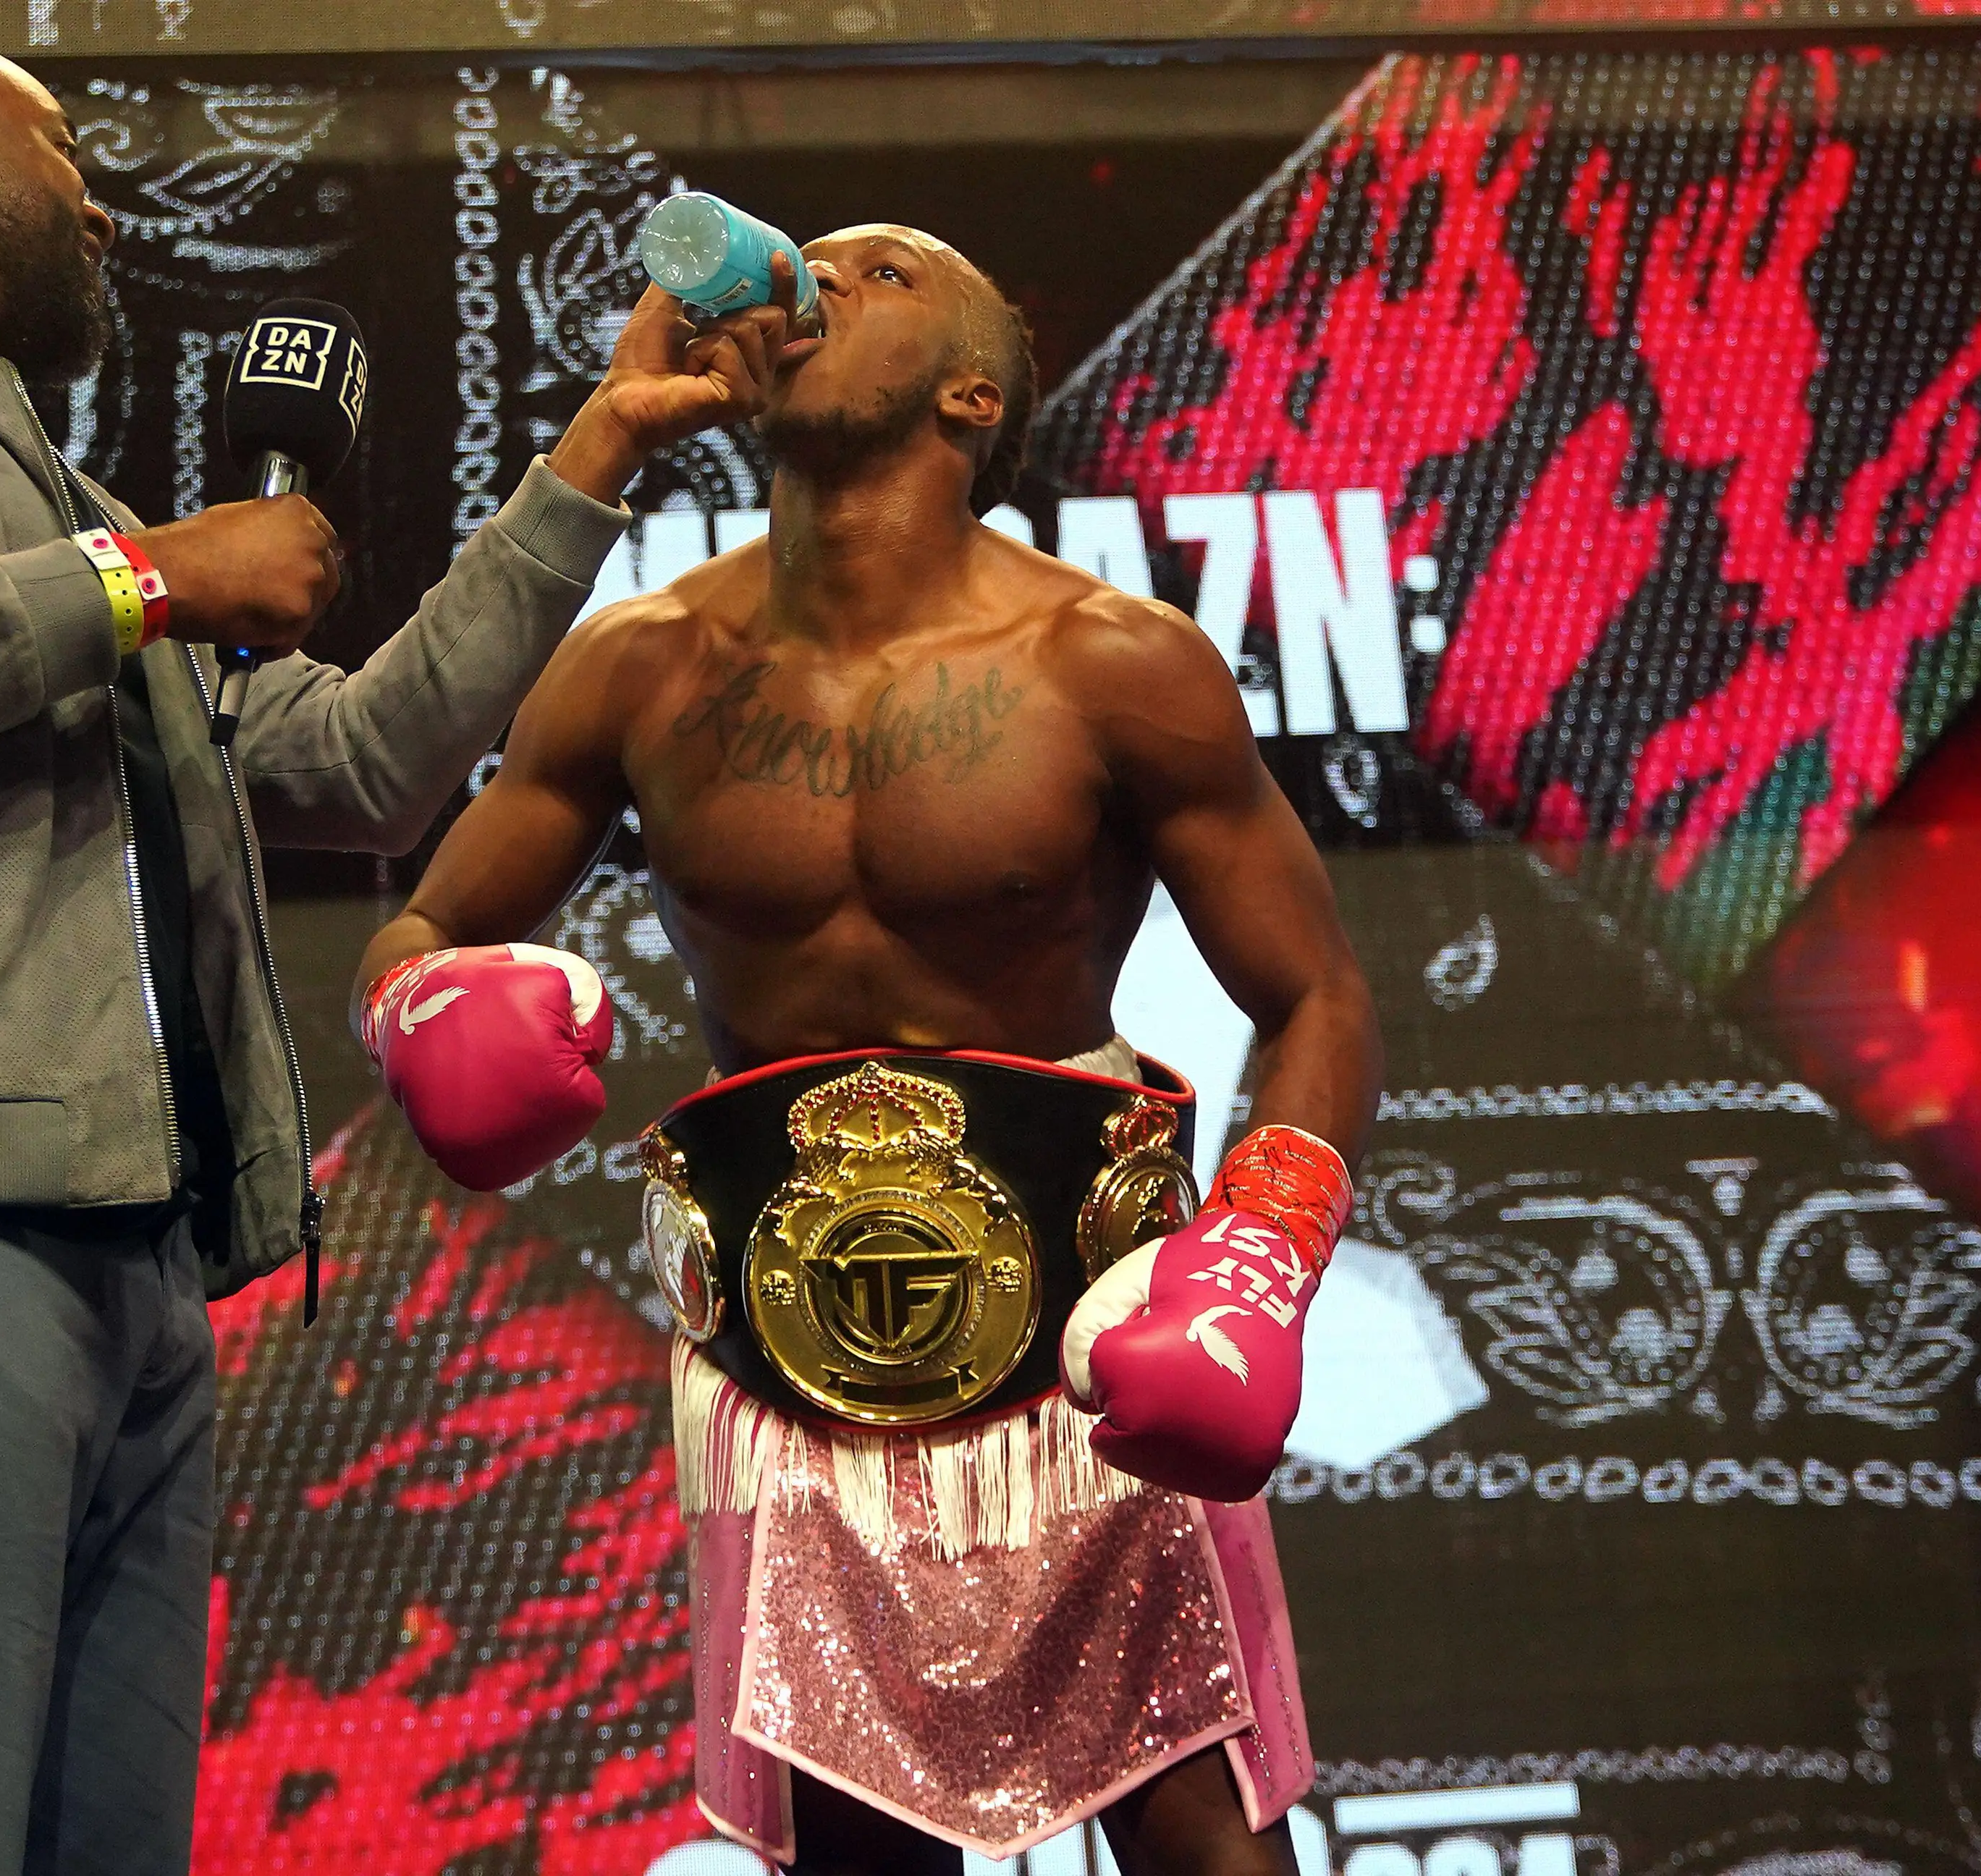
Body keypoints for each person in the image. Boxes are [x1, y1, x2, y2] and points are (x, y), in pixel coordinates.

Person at [0, 20, 790, 1875]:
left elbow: (360, 763)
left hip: (129, 1262)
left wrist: (592, 454)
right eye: (61, 150)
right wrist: (147, 583)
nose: (103, 211)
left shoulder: (83, 523)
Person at [355, 224, 1382, 1874]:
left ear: (973, 394)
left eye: (881, 272)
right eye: (809, 262)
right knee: (856, 1846)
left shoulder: (1111, 662)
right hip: (791, 1359)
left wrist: (1258, 1259)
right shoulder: (638, 664)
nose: (813, 281)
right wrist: (420, 1010)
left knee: (1201, 1830)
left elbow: (1318, 992)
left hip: (1091, 1332)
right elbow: (420, 927)